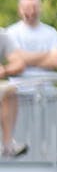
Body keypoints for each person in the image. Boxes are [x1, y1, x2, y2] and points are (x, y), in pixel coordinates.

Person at [0, 29, 23, 158]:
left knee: (10, 90)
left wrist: (4, 70)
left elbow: (19, 63)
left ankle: (7, 145)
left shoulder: (2, 36)